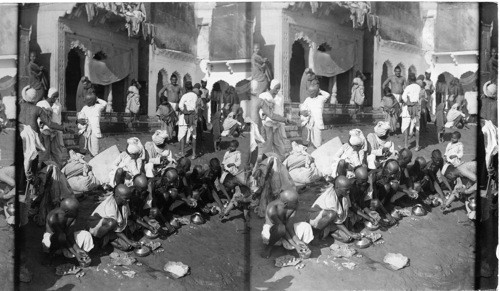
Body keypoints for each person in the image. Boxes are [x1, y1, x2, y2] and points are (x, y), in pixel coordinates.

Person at [18, 85, 64, 179]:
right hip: (34, 138)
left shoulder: (20, 107)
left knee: (23, 159)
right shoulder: (38, 109)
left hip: (22, 135)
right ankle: (33, 183)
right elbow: (50, 124)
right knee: (33, 160)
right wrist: (62, 128)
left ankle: (23, 184)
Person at [261, 189, 313, 258]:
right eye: (295, 202)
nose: (298, 203)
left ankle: (302, 247)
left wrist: (297, 241)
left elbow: (289, 225)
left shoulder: (293, 205)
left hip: (284, 228)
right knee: (281, 228)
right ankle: (269, 246)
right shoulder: (272, 208)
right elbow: (281, 228)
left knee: (306, 226)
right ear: (286, 203)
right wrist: (295, 245)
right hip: (272, 231)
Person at [309, 175, 362, 242]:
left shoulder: (344, 194)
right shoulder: (330, 199)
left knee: (347, 238)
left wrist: (348, 230)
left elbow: (346, 210)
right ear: (337, 187)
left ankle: (330, 231)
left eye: (349, 189)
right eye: (346, 190)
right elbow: (337, 221)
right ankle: (316, 233)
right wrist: (350, 234)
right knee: (331, 214)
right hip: (317, 219)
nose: (348, 192)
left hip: (332, 220)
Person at [43, 198, 93, 267]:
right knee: (61, 237)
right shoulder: (53, 217)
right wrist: (75, 254)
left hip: (65, 237)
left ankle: (83, 256)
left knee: (86, 234)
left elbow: (69, 234)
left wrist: (77, 249)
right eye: (76, 211)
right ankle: (50, 255)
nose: (78, 212)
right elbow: (62, 236)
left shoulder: (72, 214)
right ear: (67, 211)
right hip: (52, 238)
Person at [88, 184, 140, 251]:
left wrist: (148, 226)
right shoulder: (110, 207)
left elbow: (128, 217)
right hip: (98, 229)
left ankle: (111, 238)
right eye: (126, 198)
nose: (128, 200)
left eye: (128, 198)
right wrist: (130, 242)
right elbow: (117, 230)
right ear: (117, 196)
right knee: (127, 245)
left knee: (128, 243)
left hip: (113, 228)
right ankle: (102, 241)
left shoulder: (124, 202)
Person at [257, 80, 291, 161]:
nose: (277, 91)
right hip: (267, 124)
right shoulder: (263, 95)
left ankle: (280, 162)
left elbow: (281, 110)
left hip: (278, 123)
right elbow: (261, 110)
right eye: (276, 88)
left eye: (279, 89)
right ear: (271, 87)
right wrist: (263, 115)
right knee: (267, 145)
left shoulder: (281, 97)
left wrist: (283, 120)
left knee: (279, 145)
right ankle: (264, 163)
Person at [36, 88, 65, 167]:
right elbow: (39, 118)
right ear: (50, 96)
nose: (56, 98)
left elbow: (58, 118)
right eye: (54, 96)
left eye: (57, 97)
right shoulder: (41, 103)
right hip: (44, 131)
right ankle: (42, 169)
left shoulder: (58, 105)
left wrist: (59, 128)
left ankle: (59, 168)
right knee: (44, 151)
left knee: (57, 151)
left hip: (55, 131)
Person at [300, 83, 330, 148]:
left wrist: (320, 90)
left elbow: (327, 95)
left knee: (318, 140)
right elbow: (302, 108)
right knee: (307, 138)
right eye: (308, 91)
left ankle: (318, 150)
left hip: (318, 122)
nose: (309, 93)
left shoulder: (321, 98)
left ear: (314, 92)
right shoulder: (308, 99)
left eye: (311, 92)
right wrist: (303, 112)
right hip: (309, 121)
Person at [78, 93, 107, 157]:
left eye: (86, 100)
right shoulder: (85, 108)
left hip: (94, 131)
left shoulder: (98, 107)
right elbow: (80, 117)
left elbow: (105, 103)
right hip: (85, 130)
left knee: (94, 149)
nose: (84, 101)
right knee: (83, 148)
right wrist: (79, 121)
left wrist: (97, 99)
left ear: (90, 101)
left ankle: (94, 162)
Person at [177, 81, 199, 159]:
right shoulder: (195, 96)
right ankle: (193, 154)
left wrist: (186, 112)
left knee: (182, 135)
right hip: (193, 117)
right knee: (193, 135)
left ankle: (182, 153)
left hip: (184, 117)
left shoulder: (185, 96)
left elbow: (180, 106)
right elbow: (196, 106)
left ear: (186, 88)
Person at [401, 73, 421, 150]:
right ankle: (417, 146)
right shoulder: (419, 87)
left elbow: (403, 97)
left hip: (408, 109)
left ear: (409, 80)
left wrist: (409, 103)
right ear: (415, 79)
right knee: (417, 127)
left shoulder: (408, 87)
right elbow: (420, 97)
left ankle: (406, 145)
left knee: (406, 126)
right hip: (416, 108)